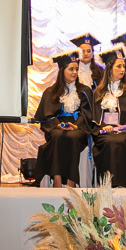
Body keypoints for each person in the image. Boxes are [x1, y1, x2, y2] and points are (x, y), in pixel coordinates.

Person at [33, 50, 94, 188]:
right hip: (57, 127)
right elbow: (46, 116)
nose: (74, 72)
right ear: (62, 71)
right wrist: (57, 125)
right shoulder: (51, 92)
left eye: (76, 69)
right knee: (57, 136)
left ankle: (72, 181)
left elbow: (87, 114)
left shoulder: (84, 91)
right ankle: (57, 180)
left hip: (78, 127)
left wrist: (76, 125)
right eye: (71, 69)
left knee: (73, 136)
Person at [90, 47, 126, 187]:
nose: (122, 70)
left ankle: (124, 184)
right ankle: (109, 184)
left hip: (124, 131)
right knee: (109, 142)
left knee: (120, 141)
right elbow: (95, 119)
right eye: (118, 66)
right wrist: (104, 128)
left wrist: (123, 128)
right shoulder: (98, 92)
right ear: (109, 69)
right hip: (104, 132)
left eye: (123, 66)